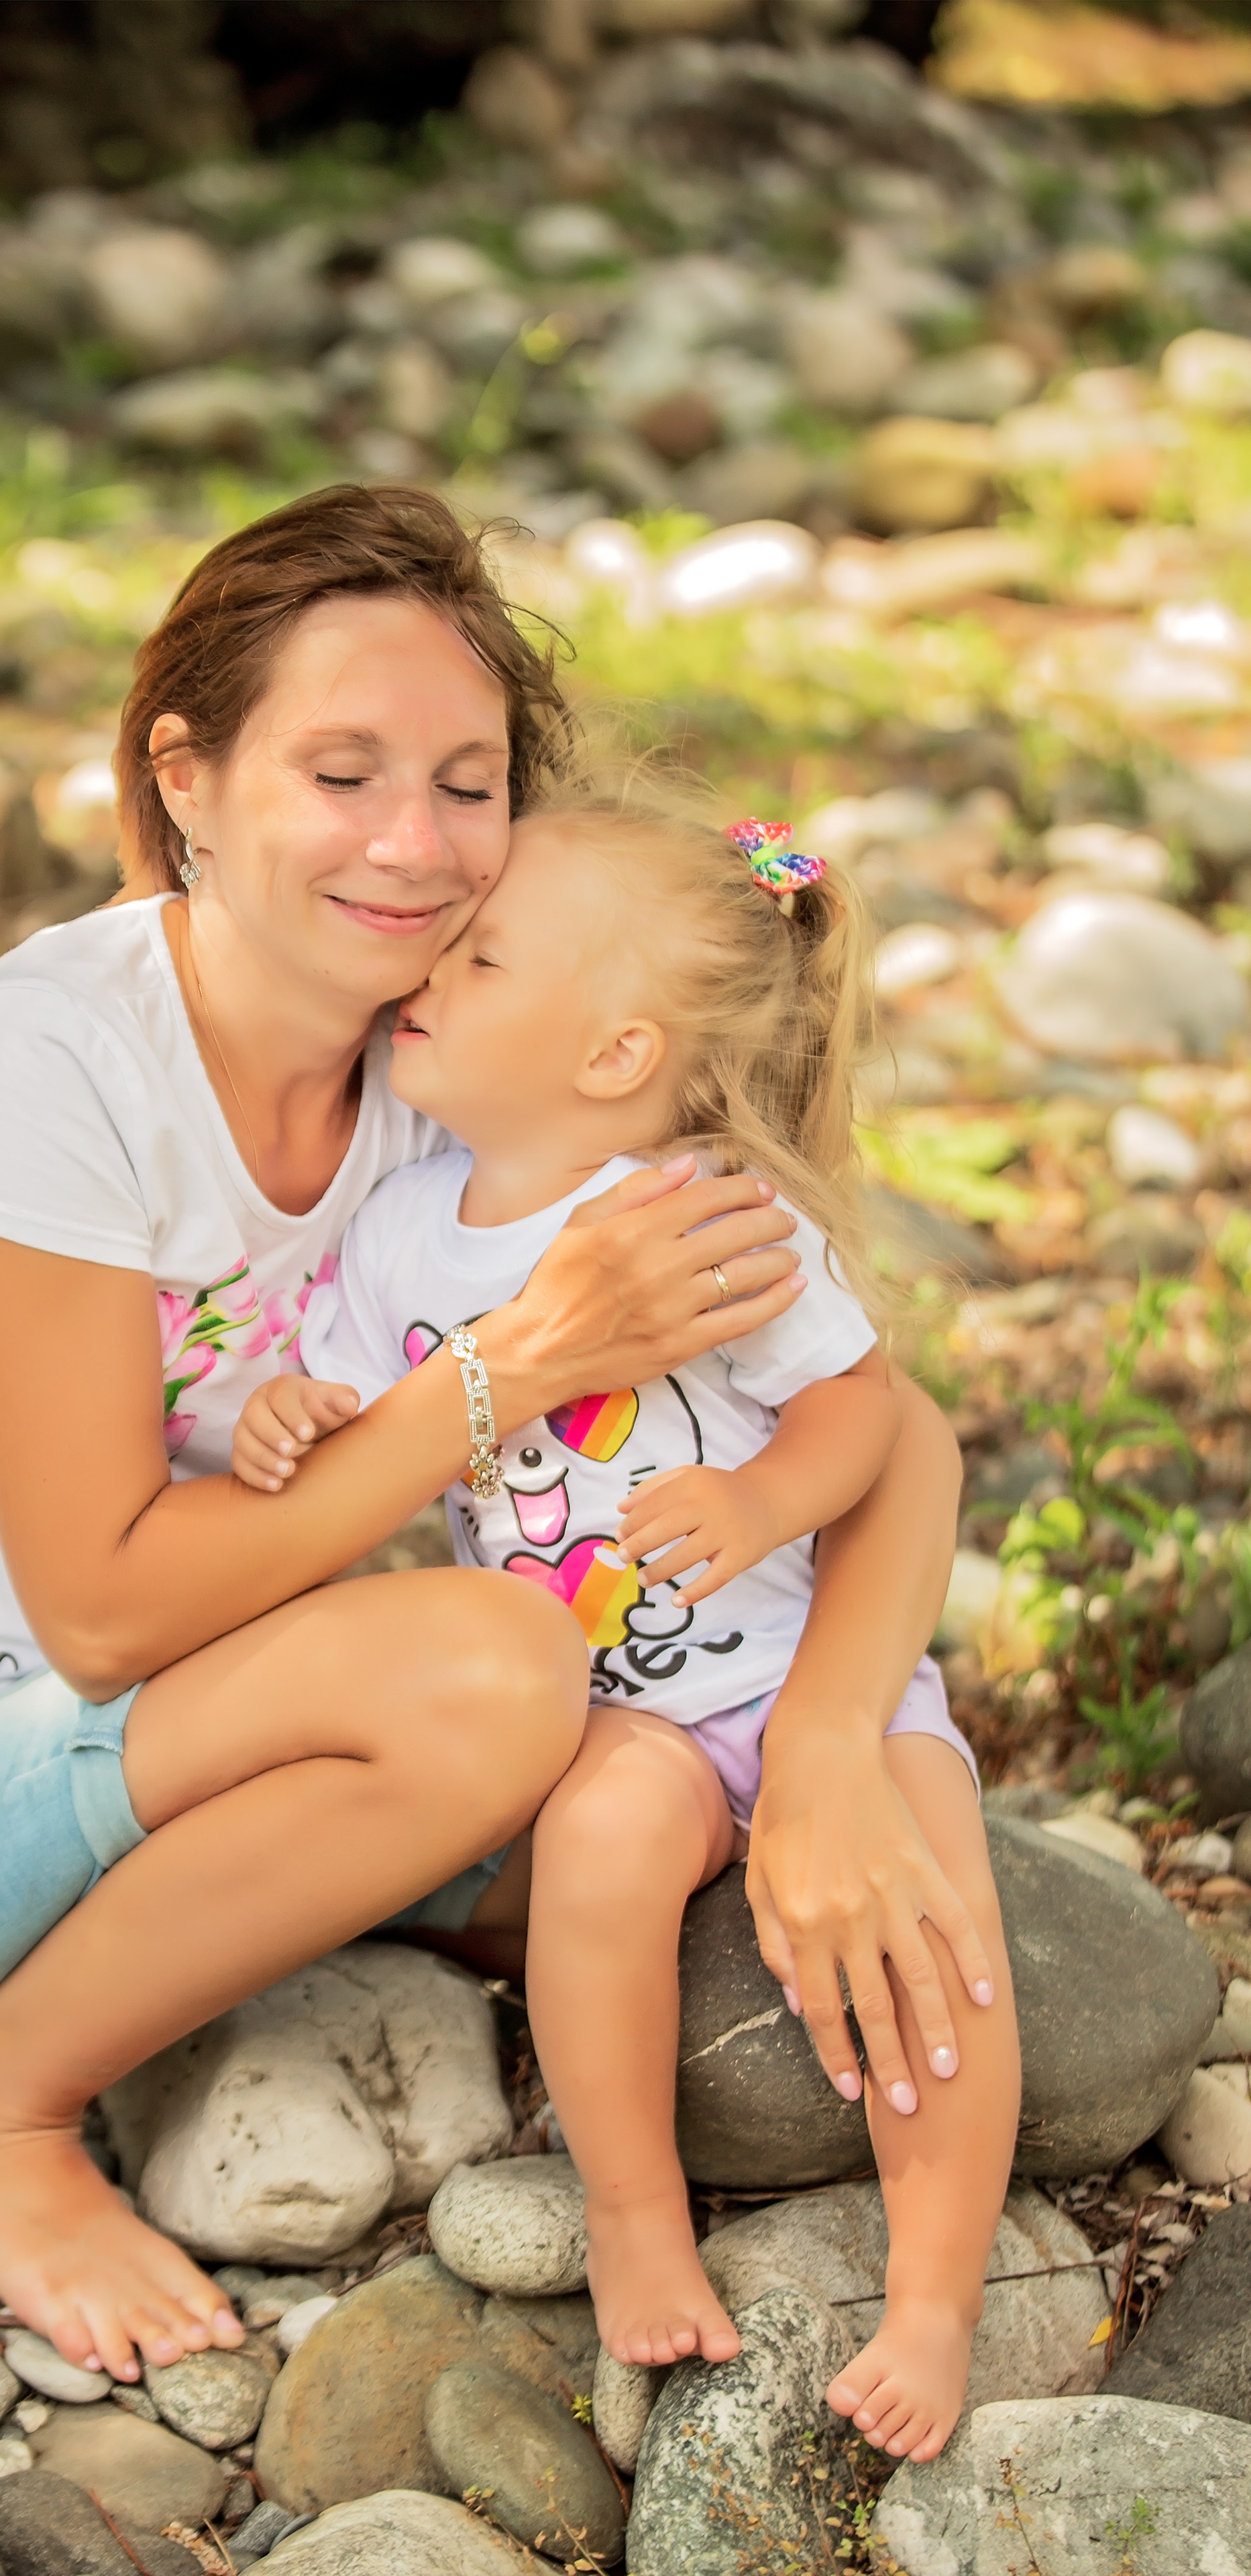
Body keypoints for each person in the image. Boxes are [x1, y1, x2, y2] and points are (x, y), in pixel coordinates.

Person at [0, 484, 983, 2395]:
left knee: (656, 1821)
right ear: (189, 782)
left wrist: (819, 1758)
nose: (412, 842)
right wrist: (515, 1370)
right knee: (500, 1672)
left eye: (468, 785)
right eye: (341, 768)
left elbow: (909, 1442)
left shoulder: (447, 1081)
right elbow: (106, 1616)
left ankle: (924, 2255)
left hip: (192, 1756)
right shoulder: (57, 1055)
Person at [231, 789, 1018, 2464]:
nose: (429, 965)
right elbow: (381, 1432)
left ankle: (937, 2296)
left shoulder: (703, 1210)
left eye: (482, 949)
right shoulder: (393, 1237)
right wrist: (290, 1420)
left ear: (611, 1057)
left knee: (944, 1952)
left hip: (817, 1683)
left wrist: (752, 1507)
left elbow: (862, 1414)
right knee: (594, 1868)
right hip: (619, 1721)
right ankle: (633, 2213)